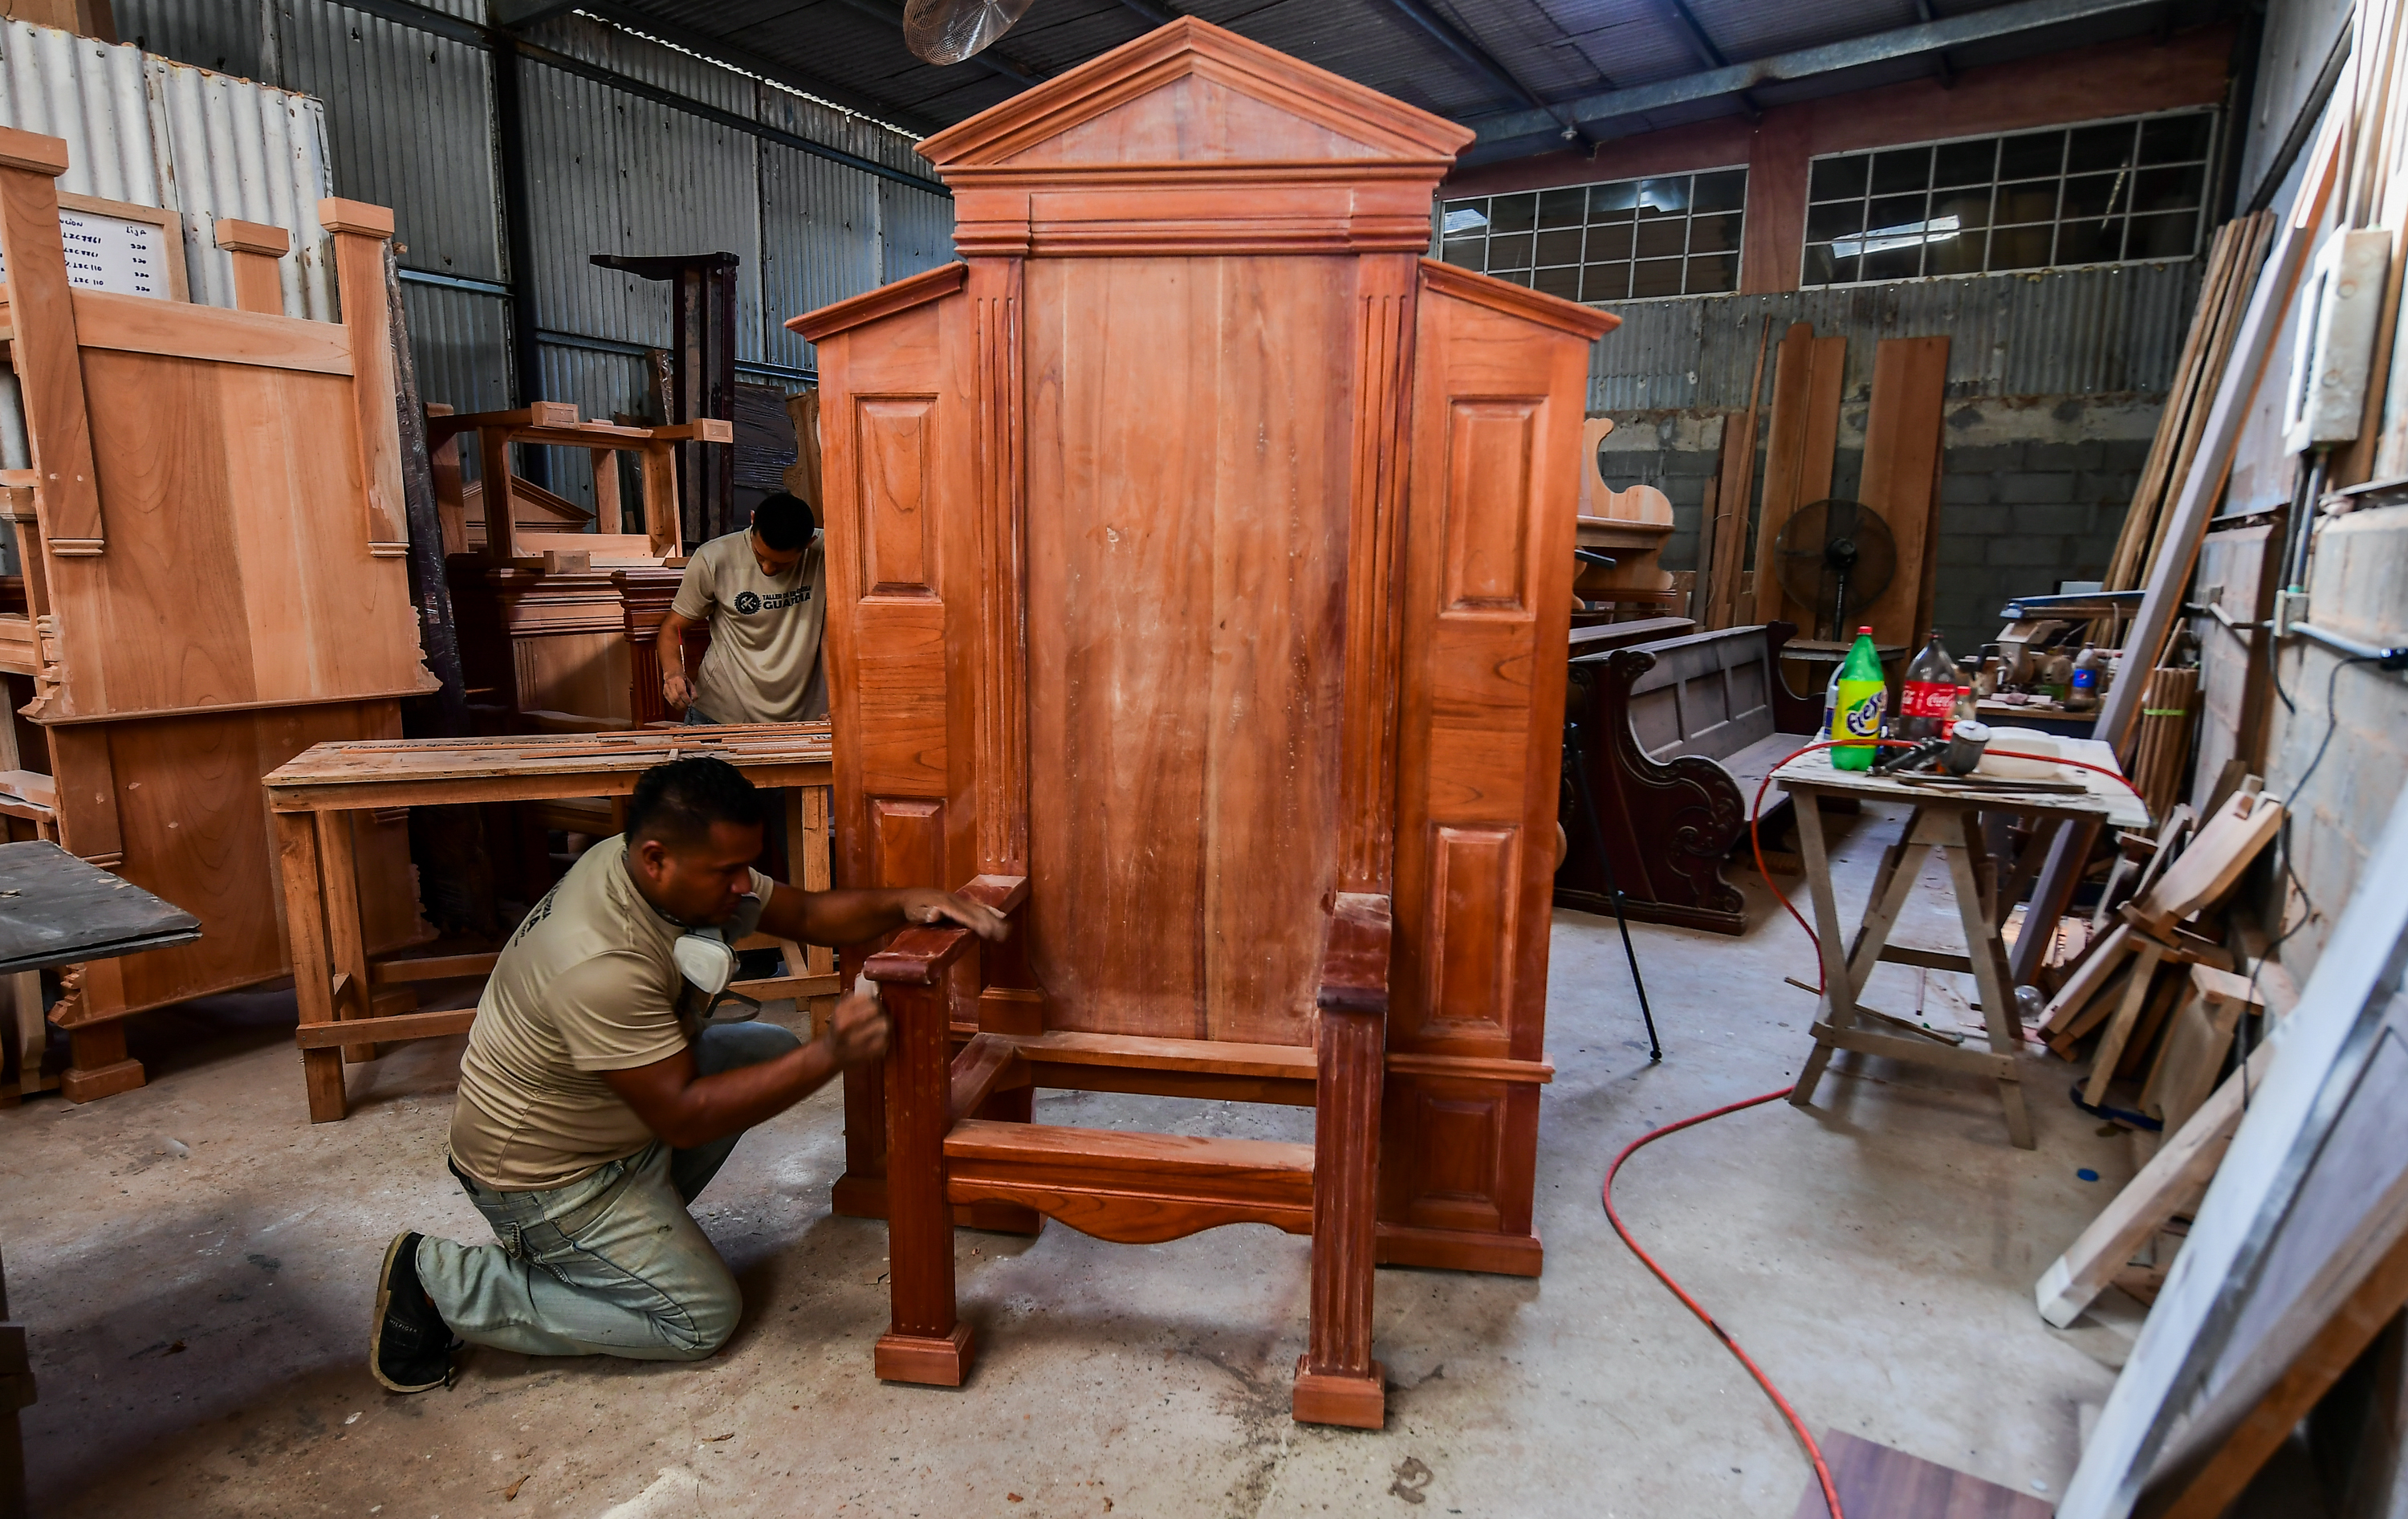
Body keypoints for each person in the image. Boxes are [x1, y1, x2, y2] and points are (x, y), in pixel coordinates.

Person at [368, 755, 1005, 1391]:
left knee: (762, 1050)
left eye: (744, 868)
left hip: (608, 1126)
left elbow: (807, 915)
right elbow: (683, 1112)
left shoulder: (662, 868)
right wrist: (832, 1052)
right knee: (701, 1319)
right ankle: (438, 1281)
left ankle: (610, 1246)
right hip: (545, 1181)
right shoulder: (600, 962)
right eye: (727, 873)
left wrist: (907, 904)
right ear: (654, 858)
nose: (742, 888)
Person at [659, 491, 827, 725]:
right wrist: (673, 672)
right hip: (721, 711)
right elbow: (674, 628)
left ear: (809, 544)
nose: (768, 569)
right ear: (752, 519)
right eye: (760, 555)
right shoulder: (714, 558)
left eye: (782, 563)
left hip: (805, 714)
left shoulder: (830, 554)